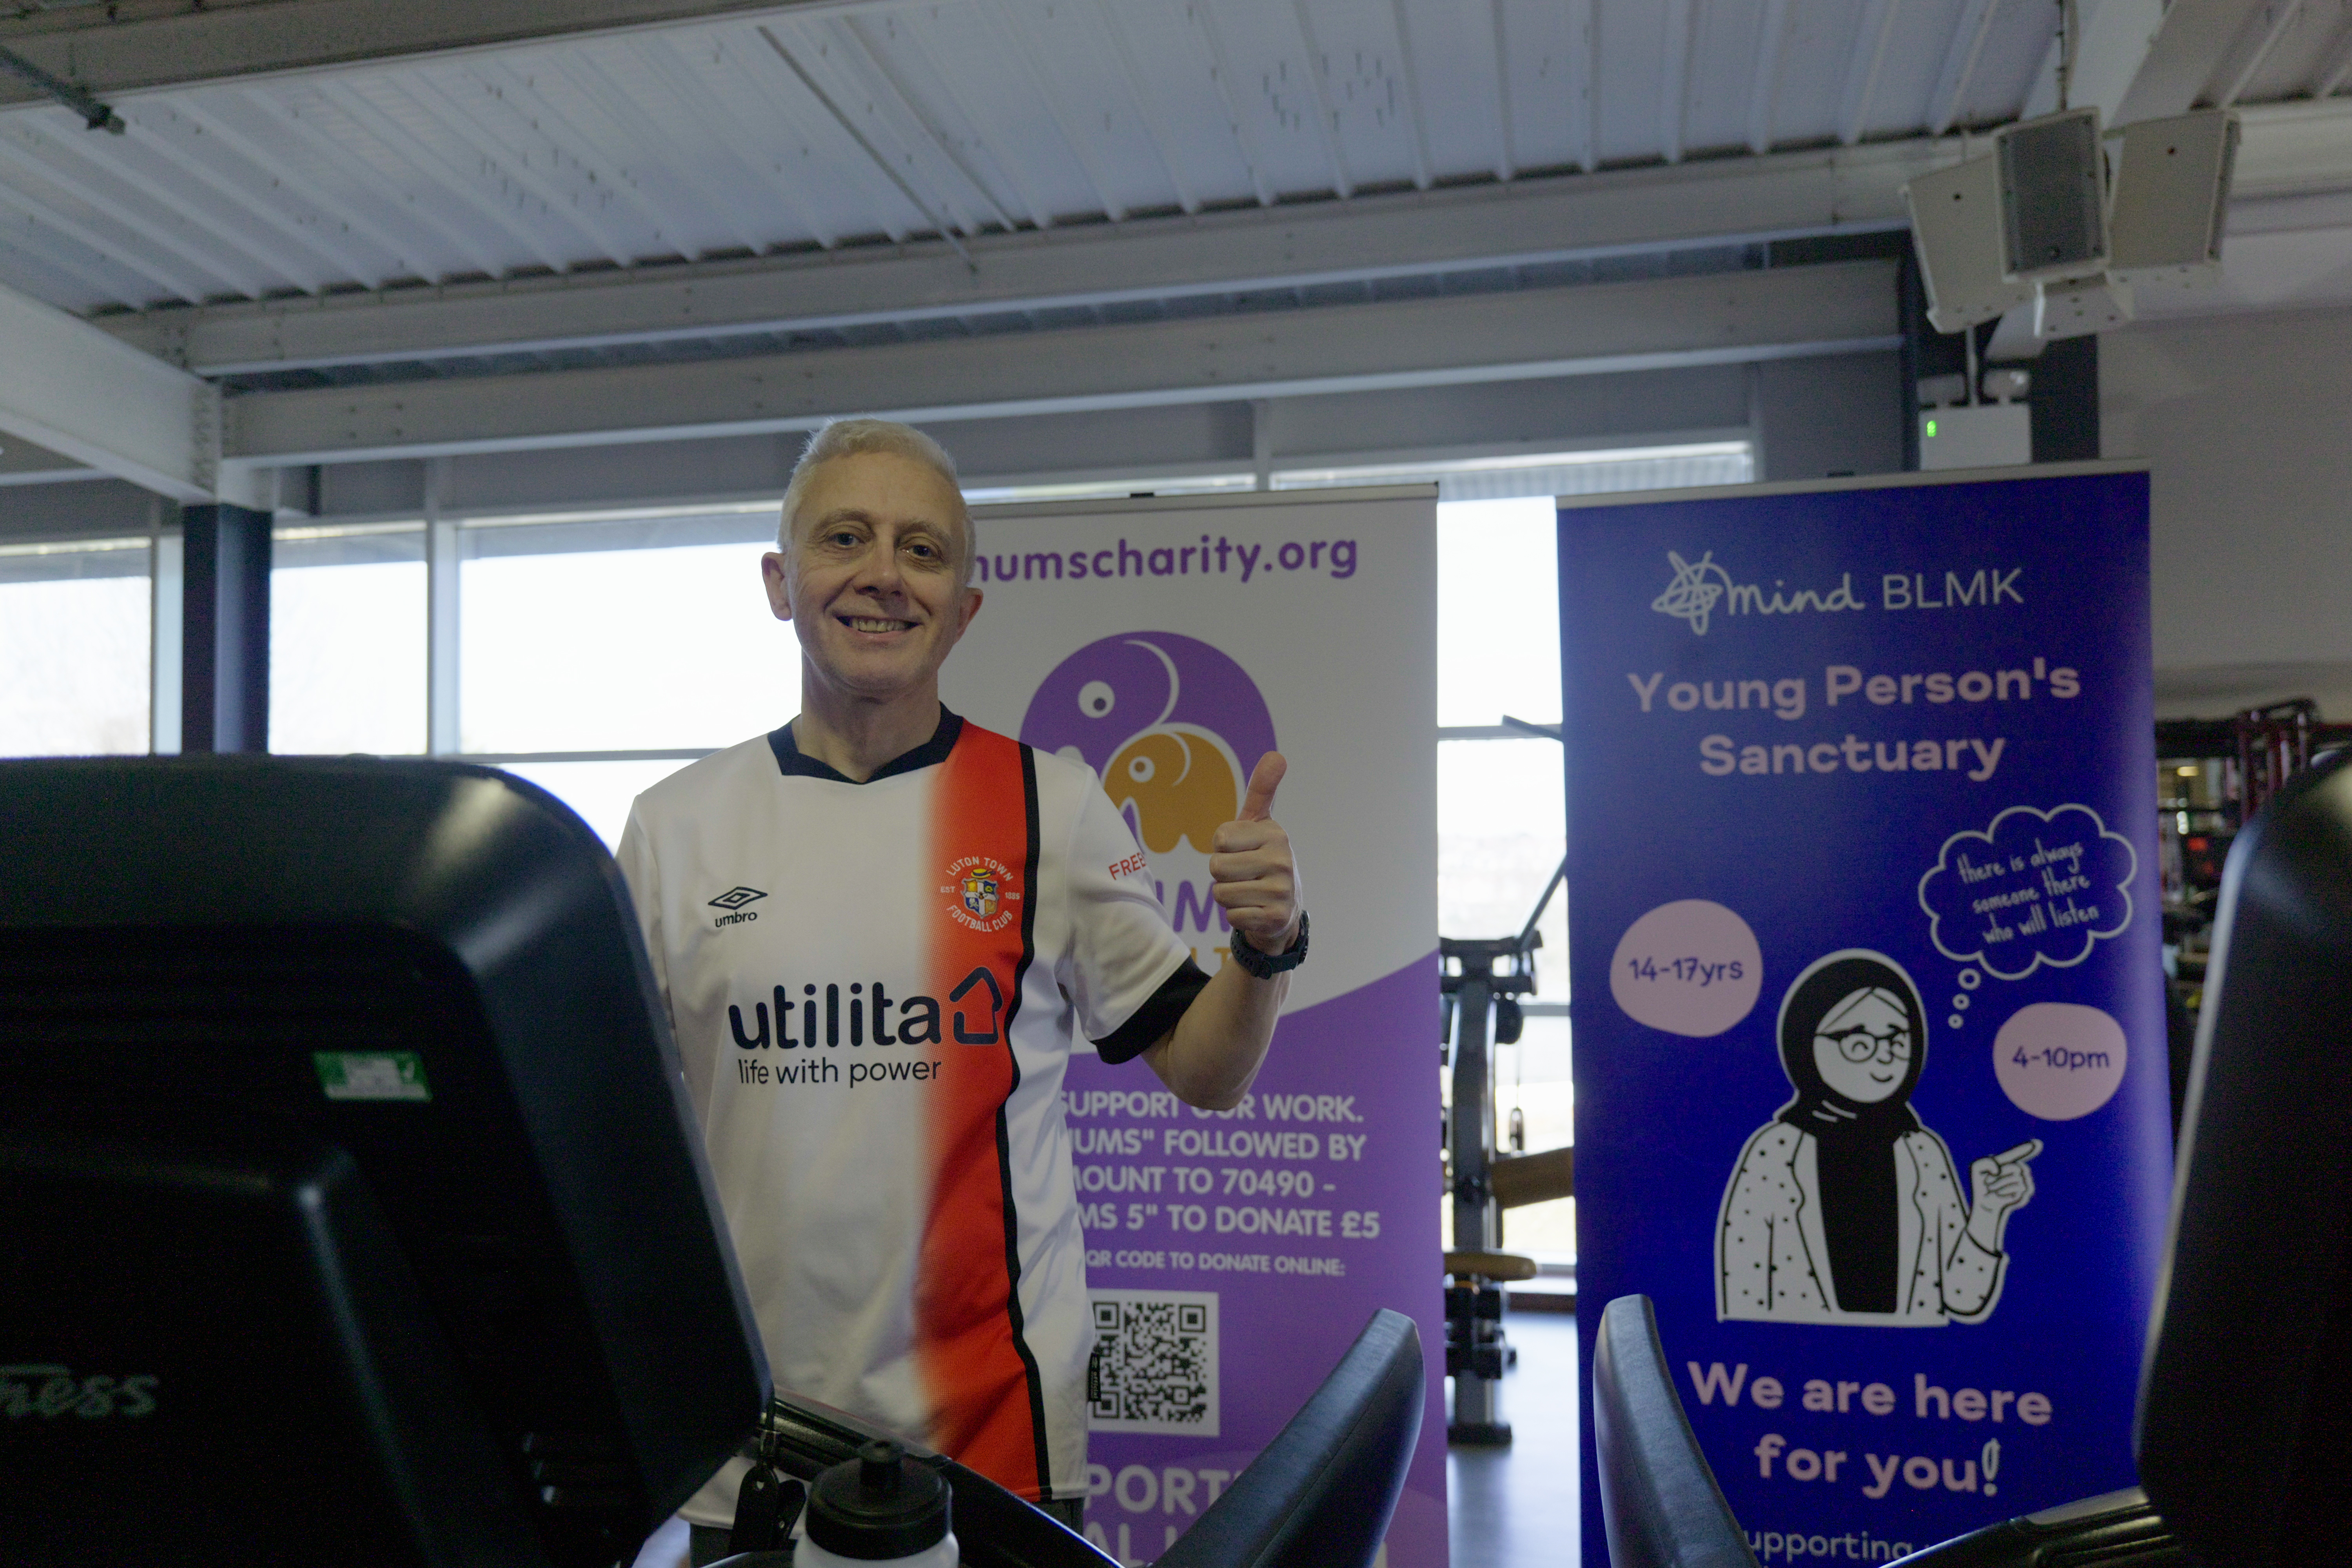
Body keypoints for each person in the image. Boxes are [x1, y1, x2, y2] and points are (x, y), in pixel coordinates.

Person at [615, 419, 1305, 1555]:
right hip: (741, 1443)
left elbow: (1208, 1073)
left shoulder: (1052, 803)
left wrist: (1268, 945)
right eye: (846, 538)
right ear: (781, 584)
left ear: (966, 604)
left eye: (924, 550)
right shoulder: (674, 826)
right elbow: (616, 1136)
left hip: (993, 1440)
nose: (884, 573)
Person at [1715, 949, 2037, 1325]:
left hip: (1919, 1373)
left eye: (1898, 1040)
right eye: (1859, 1042)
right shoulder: (1775, 1153)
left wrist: (1987, 1211)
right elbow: (1743, 1294)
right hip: (1793, 1372)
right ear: (1805, 1045)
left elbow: (1963, 1300)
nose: (1885, 1058)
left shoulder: (1922, 1152)